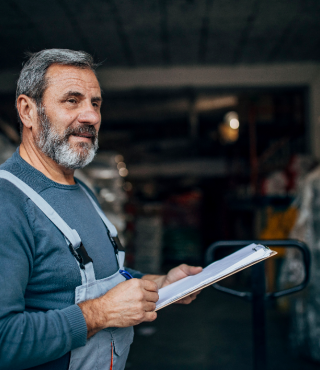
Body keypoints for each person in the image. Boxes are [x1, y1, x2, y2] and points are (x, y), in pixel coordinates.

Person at [0, 49, 202, 370]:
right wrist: (101, 313)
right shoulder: (7, 203)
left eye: (95, 103)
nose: (91, 116)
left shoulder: (83, 191)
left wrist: (159, 284)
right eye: (72, 100)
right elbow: (5, 340)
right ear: (28, 111)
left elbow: (102, 280)